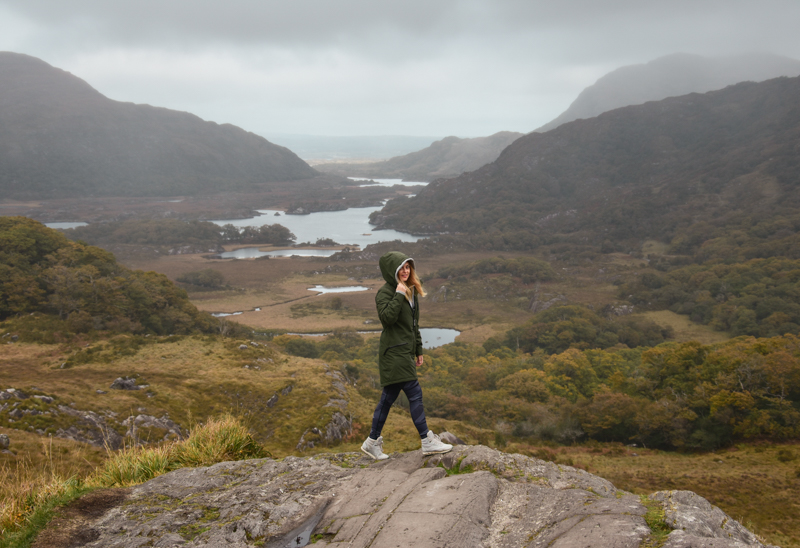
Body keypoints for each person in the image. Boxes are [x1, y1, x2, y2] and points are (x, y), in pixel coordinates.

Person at [361, 251, 452, 460]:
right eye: (401, 267)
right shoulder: (385, 292)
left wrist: (418, 350)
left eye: (408, 267)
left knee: (388, 398)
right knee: (414, 392)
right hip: (393, 352)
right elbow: (387, 319)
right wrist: (398, 294)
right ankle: (427, 440)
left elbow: (413, 326)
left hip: (404, 351)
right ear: (391, 270)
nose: (405, 271)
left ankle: (371, 442)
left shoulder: (411, 291)